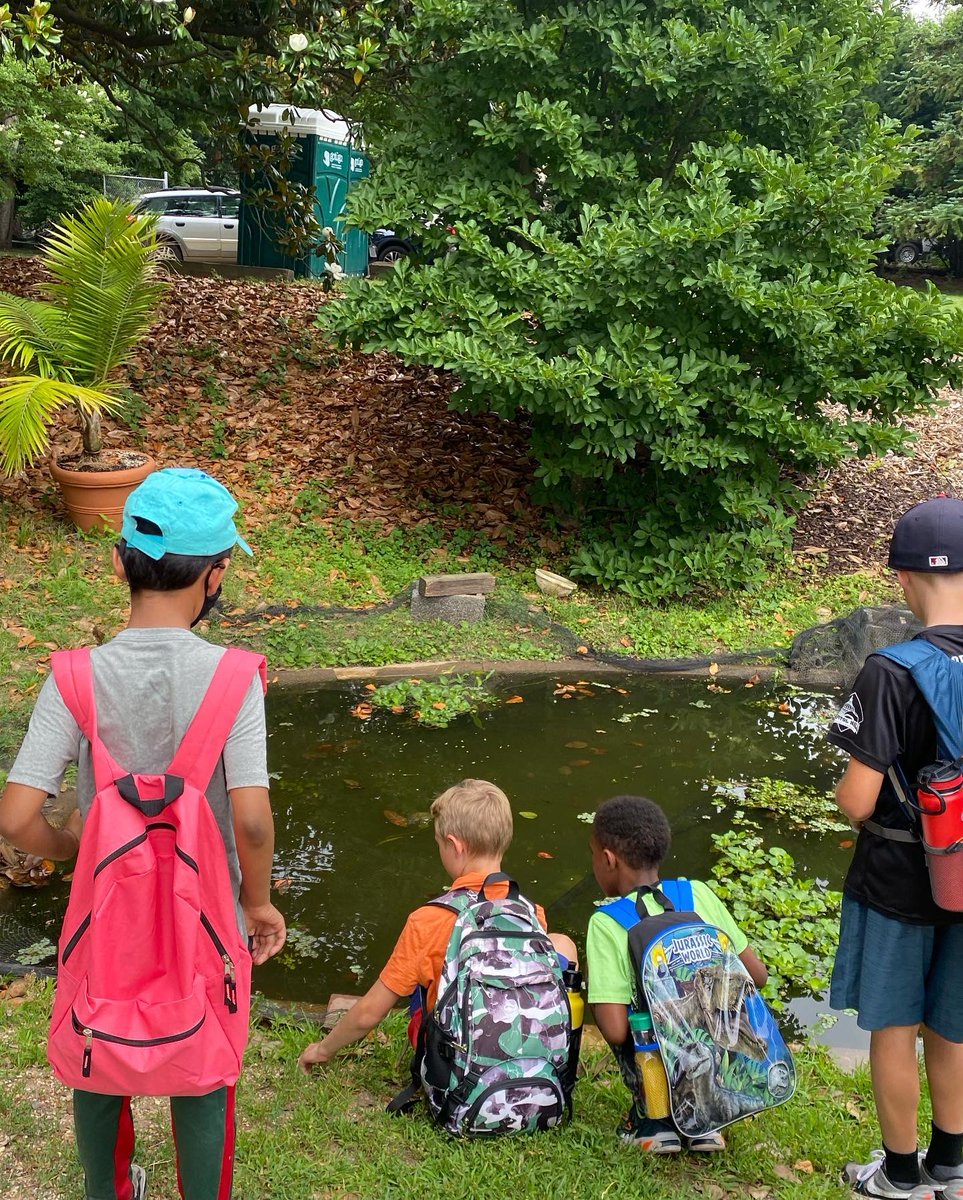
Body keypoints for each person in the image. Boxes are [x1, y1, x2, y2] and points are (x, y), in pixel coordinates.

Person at [0, 467, 286, 1200]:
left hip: (106, 907)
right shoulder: (235, 676)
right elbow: (250, 817)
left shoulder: (73, 677)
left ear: (118, 560)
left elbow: (17, 816)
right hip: (209, 913)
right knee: (203, 1061)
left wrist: (76, 847)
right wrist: (258, 902)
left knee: (100, 1035)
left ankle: (109, 1188)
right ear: (217, 575)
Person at [829, 496, 963, 1200]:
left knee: (894, 1025)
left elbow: (856, 799)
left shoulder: (890, 669)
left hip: (898, 880)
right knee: (952, 1025)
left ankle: (900, 1174)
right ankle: (952, 1164)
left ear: (904, 581)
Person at [297, 777, 578, 1071]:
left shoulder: (428, 920)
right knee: (561, 944)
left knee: (421, 982)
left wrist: (321, 1050)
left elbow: (369, 1013)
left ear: (454, 845)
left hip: (458, 1073)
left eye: (438, 844)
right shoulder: (531, 912)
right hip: (531, 1067)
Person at [585, 793, 767, 1154]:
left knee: (621, 1011)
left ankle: (654, 1122)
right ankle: (706, 1124)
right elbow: (756, 976)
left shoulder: (606, 923)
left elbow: (615, 1029)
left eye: (593, 855)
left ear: (608, 859)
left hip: (658, 1070)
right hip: (721, 1060)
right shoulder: (697, 893)